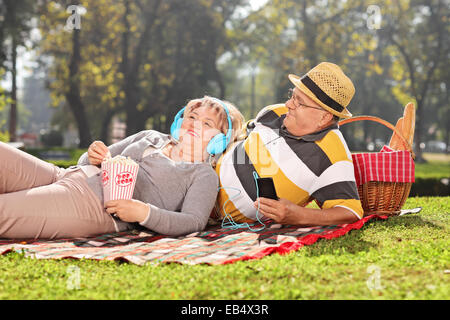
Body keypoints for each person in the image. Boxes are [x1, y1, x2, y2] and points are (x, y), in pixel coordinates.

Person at [0, 96, 244, 239]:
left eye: (207, 122)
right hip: (64, 174)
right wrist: (94, 153)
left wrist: (143, 213)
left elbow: (193, 221)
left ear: (220, 139)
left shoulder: (202, 174)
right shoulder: (151, 136)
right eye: (192, 116)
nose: (195, 124)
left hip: (93, 206)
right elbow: (87, 160)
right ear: (180, 120)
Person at [214, 62, 364, 227]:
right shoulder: (273, 113)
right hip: (202, 170)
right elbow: (239, 136)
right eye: (292, 95)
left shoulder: (333, 155)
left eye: (299, 102)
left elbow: (351, 211)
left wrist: (298, 215)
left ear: (325, 117)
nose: (288, 105)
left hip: (211, 209)